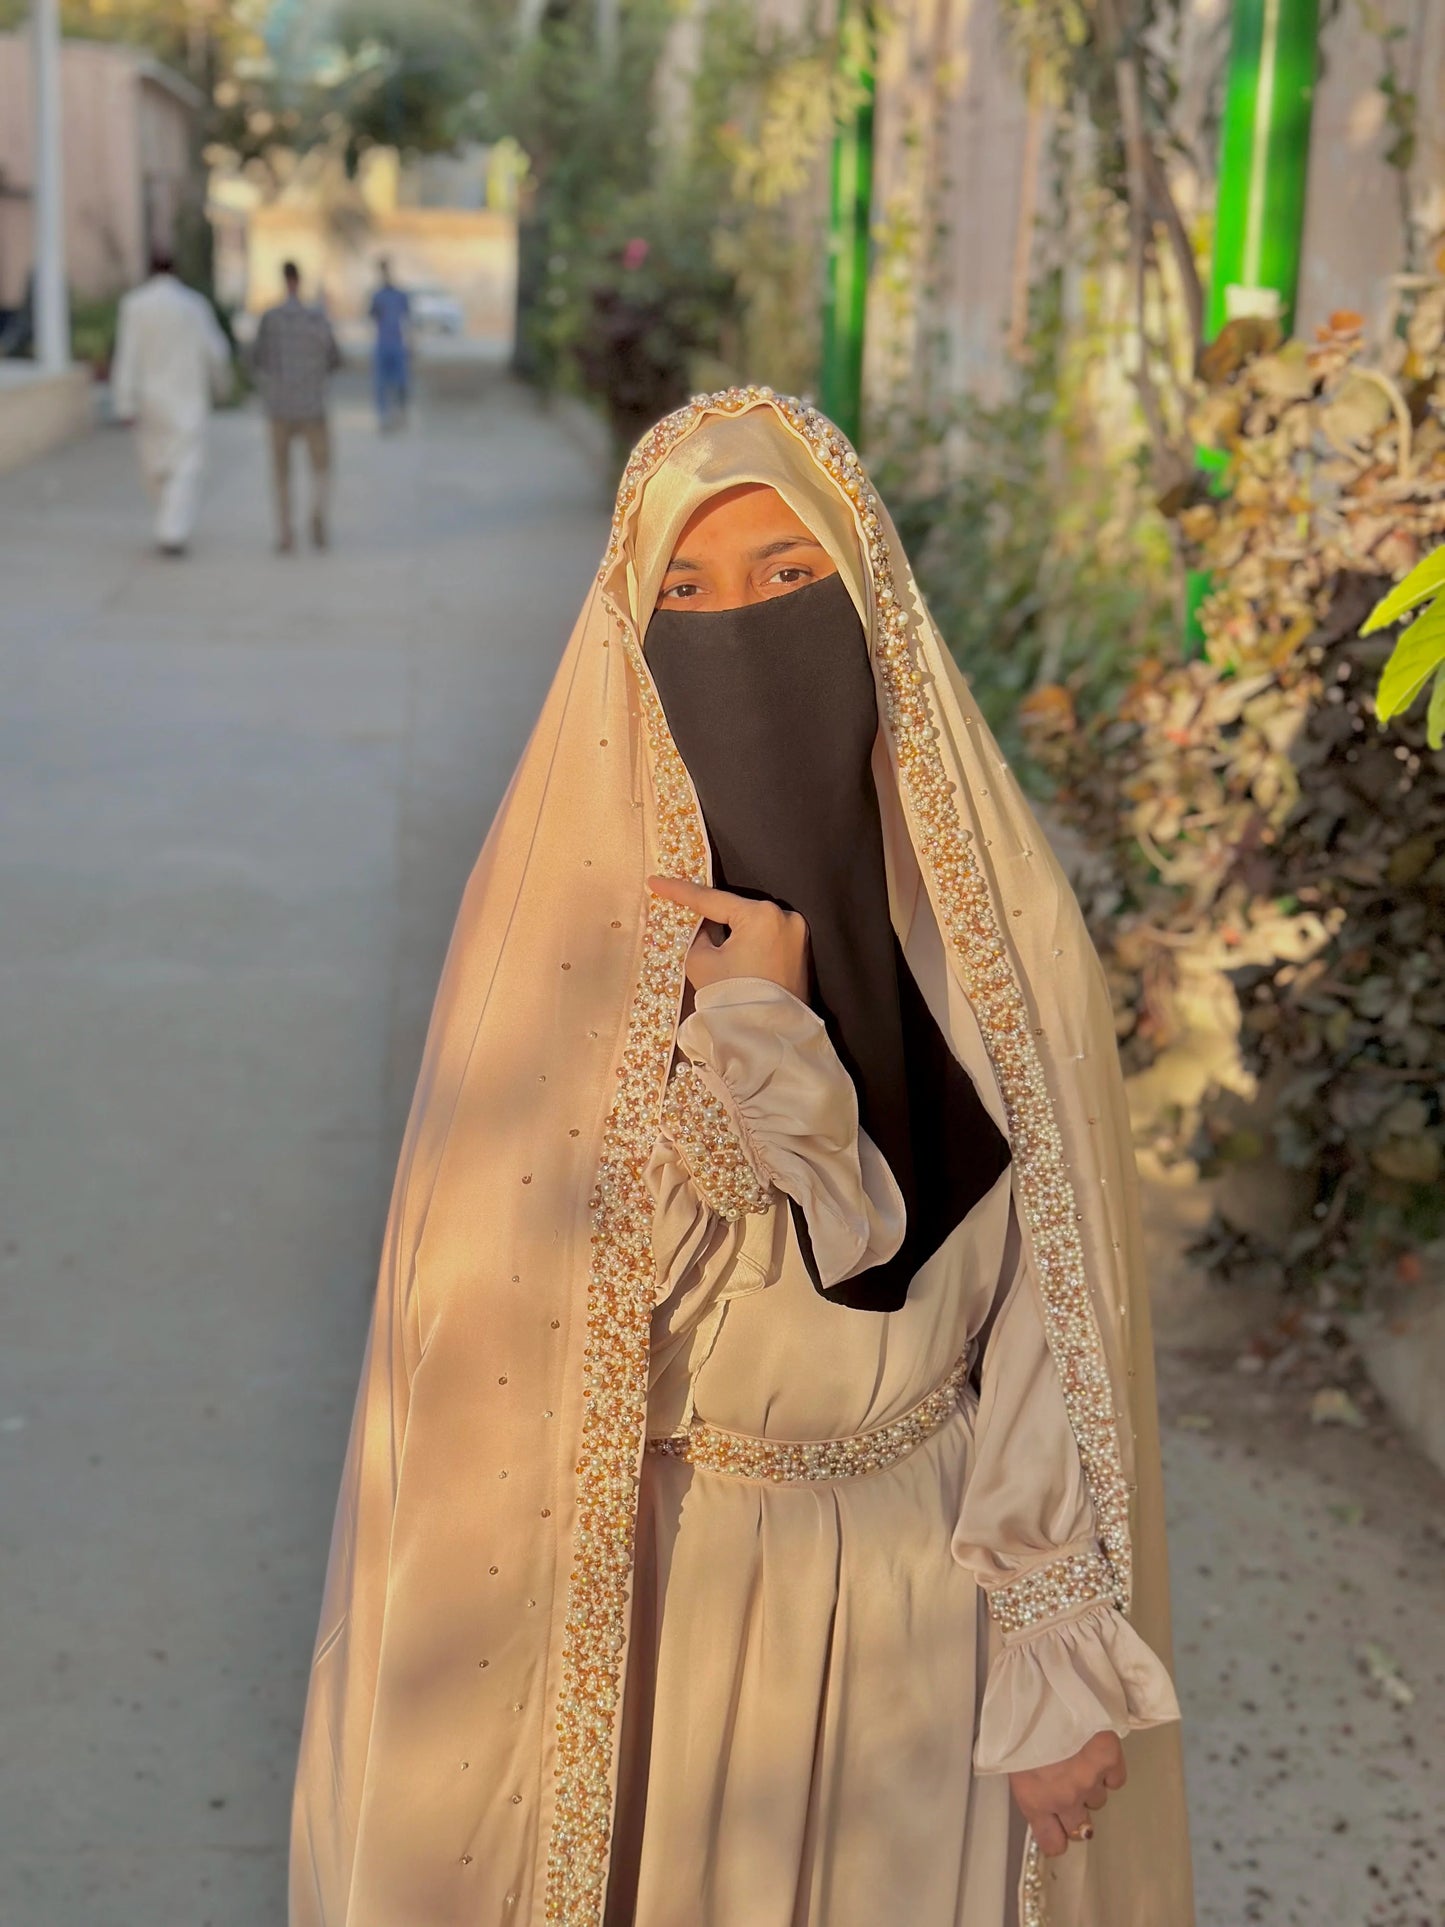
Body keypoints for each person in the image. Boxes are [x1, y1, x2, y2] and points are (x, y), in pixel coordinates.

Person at [289, 389, 1194, 1927]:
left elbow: (1054, 1316)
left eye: (789, 580)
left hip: (930, 1620)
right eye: (684, 599)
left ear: (874, 608)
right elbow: (525, 1356)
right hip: (673, 1620)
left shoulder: (993, 937)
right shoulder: (569, 962)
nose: (743, 633)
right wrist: (756, 1031)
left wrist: (1055, 1649)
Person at [110, 250, 231, 556]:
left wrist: (124, 401)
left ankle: (169, 527)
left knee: (156, 466)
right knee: (184, 467)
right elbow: (216, 351)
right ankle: (171, 529)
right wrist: (222, 387)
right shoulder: (193, 306)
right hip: (187, 399)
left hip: (150, 400)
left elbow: (127, 356)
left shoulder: (135, 305)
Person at [251, 261, 341, 553]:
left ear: (283, 279)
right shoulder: (317, 319)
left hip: (279, 406)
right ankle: (317, 516)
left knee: (281, 474)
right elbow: (335, 358)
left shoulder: (271, 319)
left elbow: (258, 359)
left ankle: (285, 532)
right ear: (299, 281)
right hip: (313, 405)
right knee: (321, 469)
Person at [368, 258, 411, 432]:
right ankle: (384, 417)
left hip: (397, 343)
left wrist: (411, 341)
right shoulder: (377, 296)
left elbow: (408, 319)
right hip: (383, 343)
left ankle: (400, 413)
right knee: (381, 383)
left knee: (400, 382)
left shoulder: (400, 295)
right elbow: (372, 316)